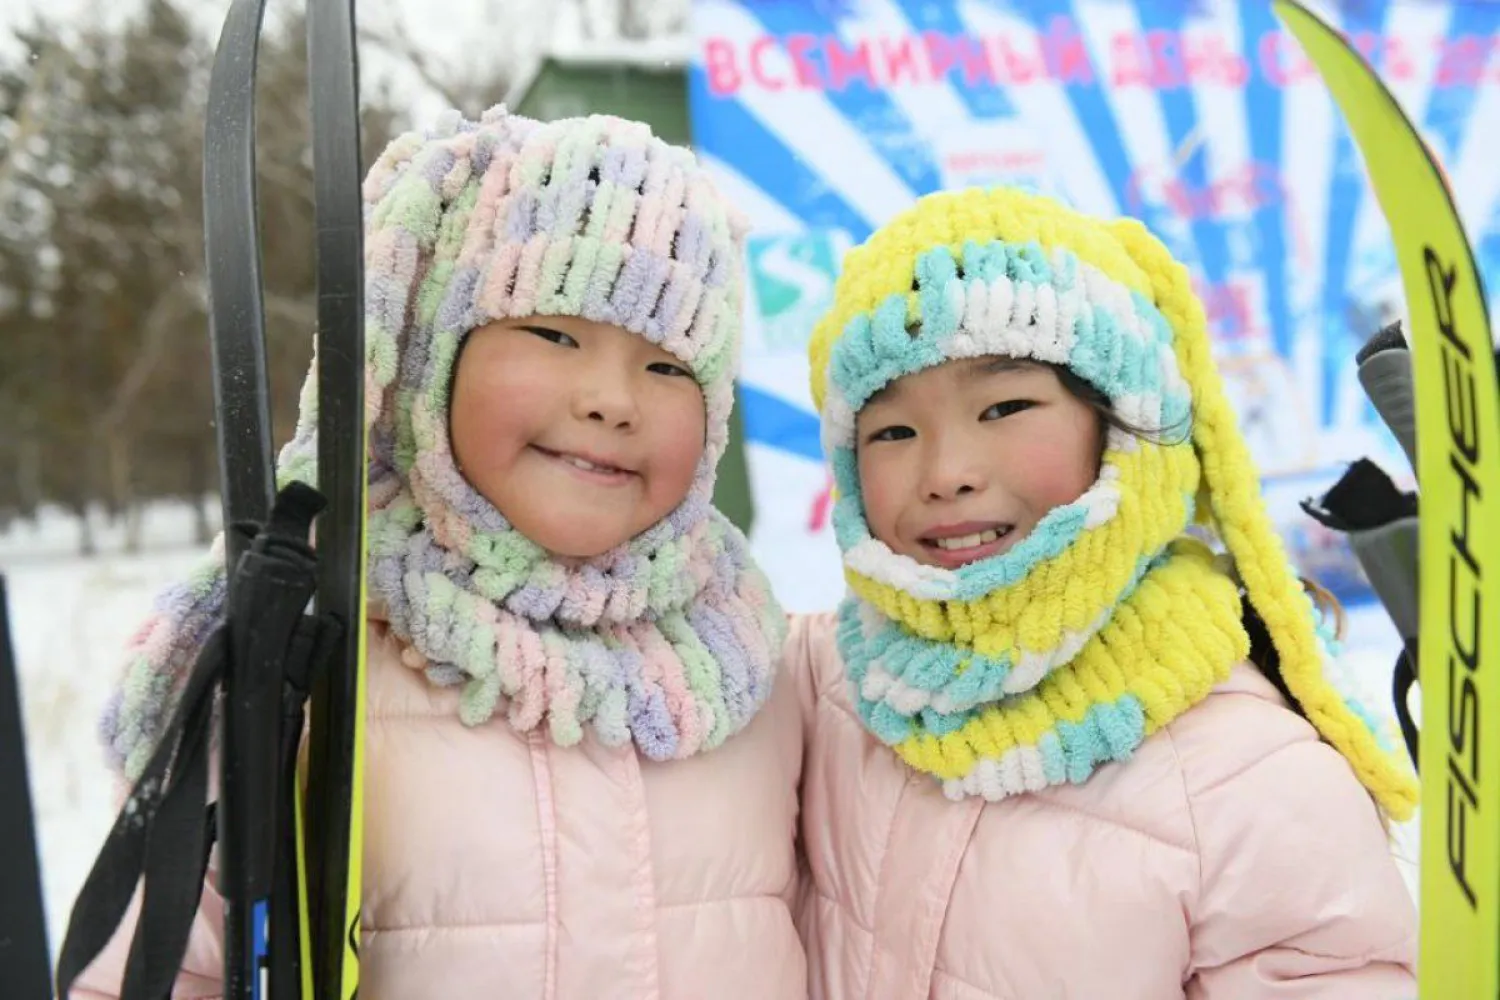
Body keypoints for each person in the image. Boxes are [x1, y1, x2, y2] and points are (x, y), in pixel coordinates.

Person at [74, 107, 807, 1000]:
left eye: (669, 367)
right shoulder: (305, 653)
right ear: (429, 356)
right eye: (554, 334)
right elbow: (155, 969)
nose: (614, 399)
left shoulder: (750, 665)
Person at [788, 186, 1418, 998]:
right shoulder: (836, 692)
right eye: (893, 431)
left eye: (1005, 405)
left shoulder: (1243, 774)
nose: (946, 474)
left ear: (1124, 425)